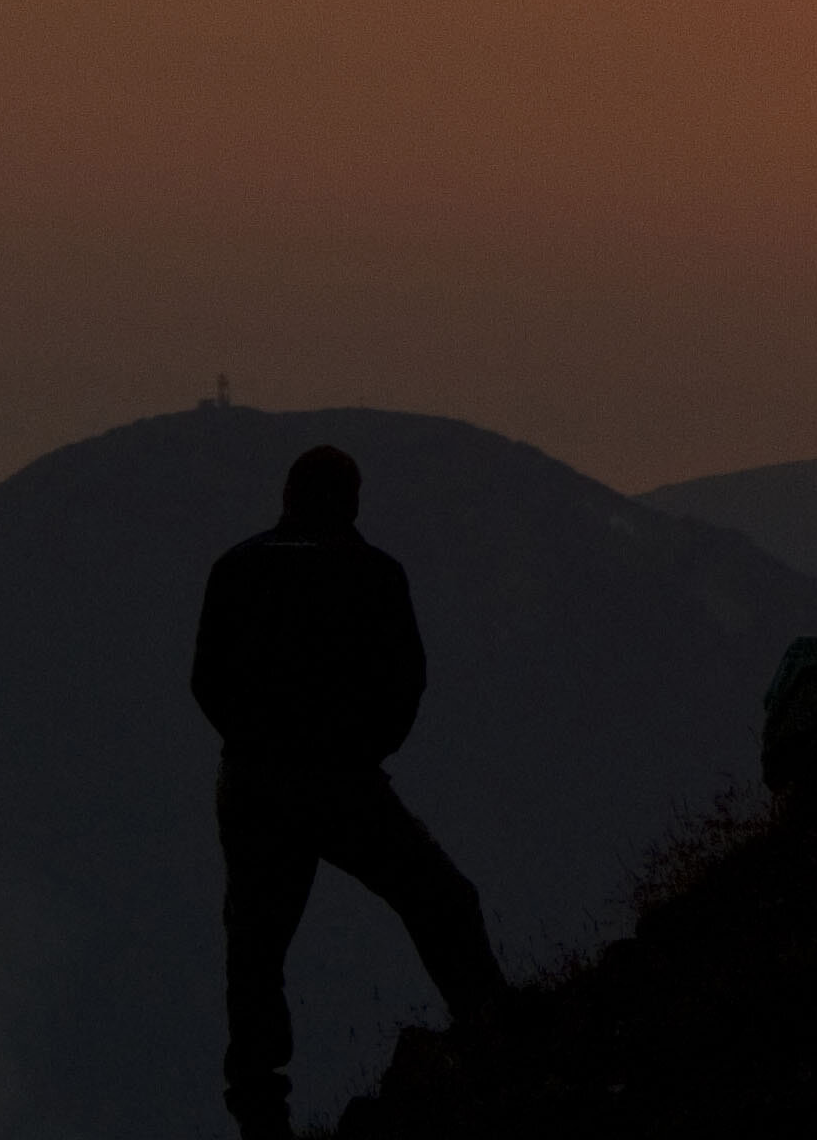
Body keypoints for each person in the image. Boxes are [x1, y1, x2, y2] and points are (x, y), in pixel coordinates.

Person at [191, 445, 509, 1140]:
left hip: (253, 783)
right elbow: (406, 681)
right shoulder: (372, 574)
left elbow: (206, 679)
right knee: (441, 900)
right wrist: (361, 751)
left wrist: (251, 743)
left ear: (287, 495)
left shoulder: (237, 568)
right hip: (340, 784)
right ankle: (495, 1040)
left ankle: (259, 1108)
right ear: (351, 499)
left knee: (254, 948)